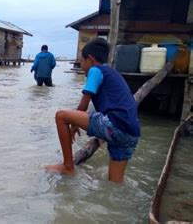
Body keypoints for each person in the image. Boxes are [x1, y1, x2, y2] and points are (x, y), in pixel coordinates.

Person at [45, 38, 140, 183]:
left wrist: (73, 125)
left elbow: (84, 103)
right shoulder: (112, 73)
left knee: (61, 116)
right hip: (131, 134)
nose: (81, 66)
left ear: (89, 59)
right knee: (115, 183)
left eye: (81, 61)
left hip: (114, 126)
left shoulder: (95, 70)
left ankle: (68, 166)